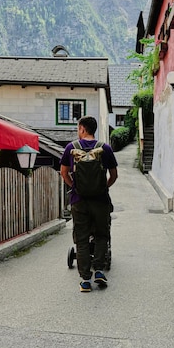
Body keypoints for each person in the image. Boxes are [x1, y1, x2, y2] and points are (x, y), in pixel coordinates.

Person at [60, 115, 118, 292]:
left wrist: (75, 187)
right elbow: (114, 175)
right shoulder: (105, 148)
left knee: (82, 240)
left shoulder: (71, 148)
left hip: (80, 202)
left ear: (82, 129)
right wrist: (103, 188)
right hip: (100, 201)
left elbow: (64, 173)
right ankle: (98, 270)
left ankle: (85, 280)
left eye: (78, 128)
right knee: (101, 235)